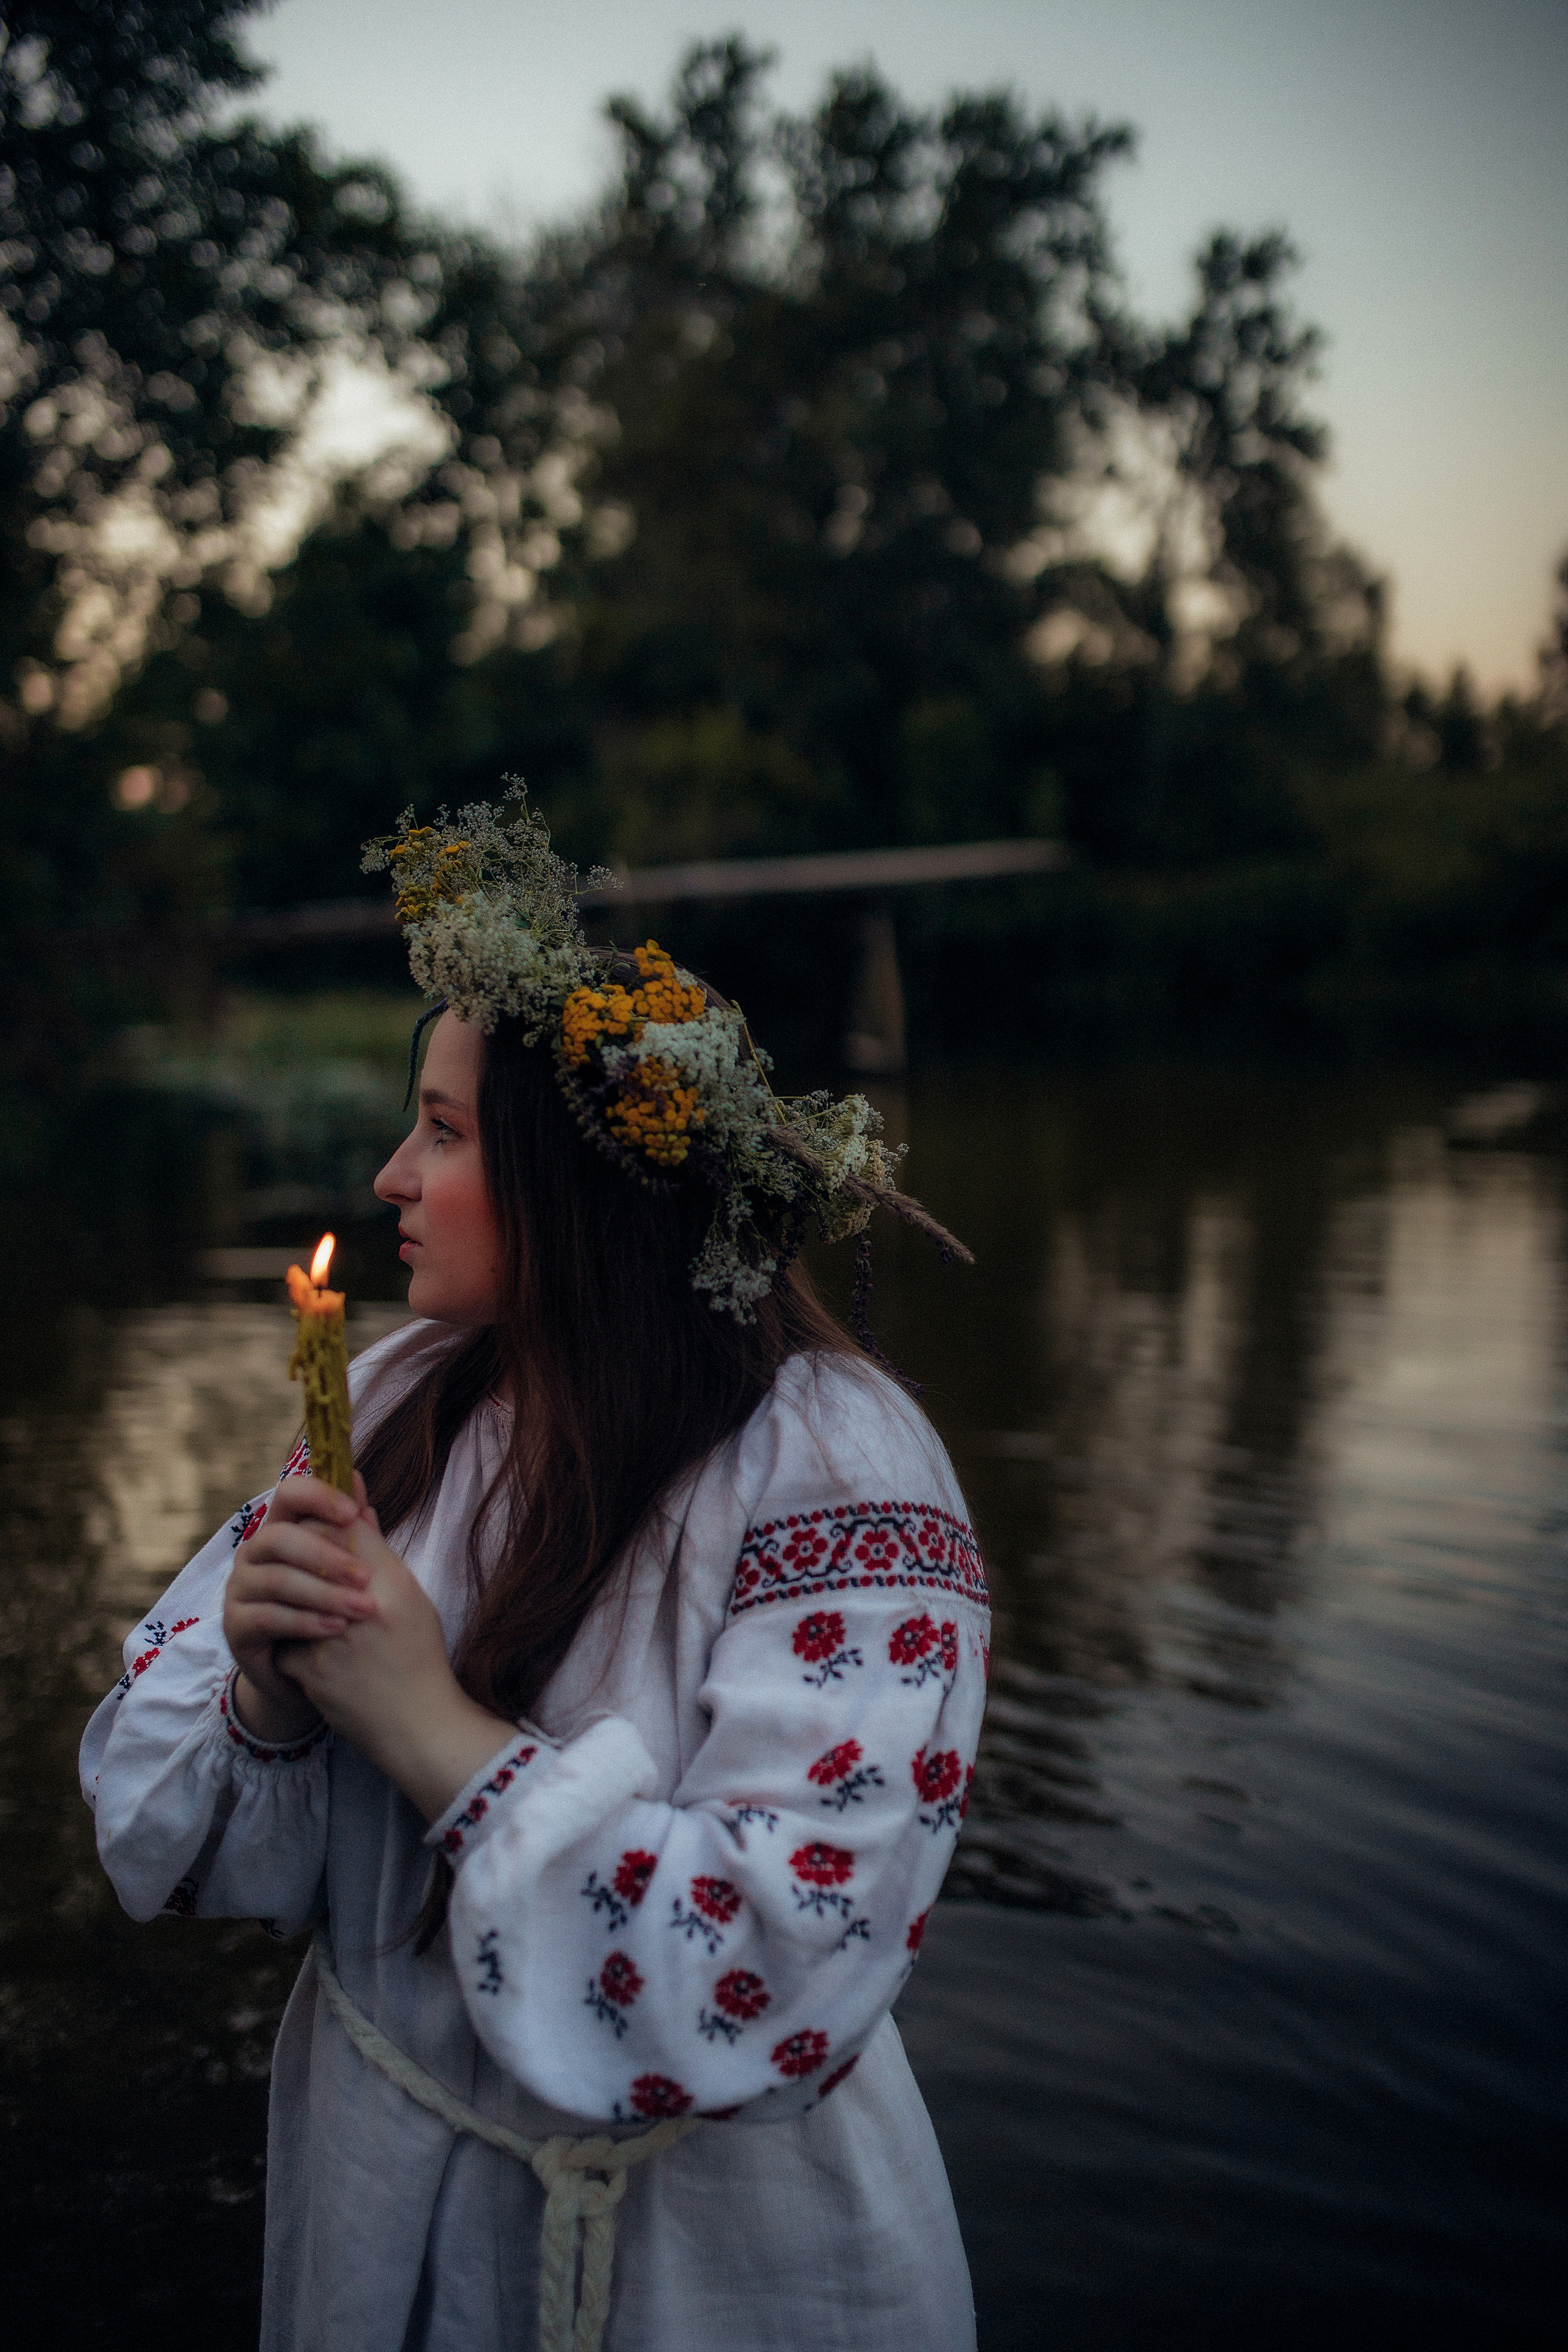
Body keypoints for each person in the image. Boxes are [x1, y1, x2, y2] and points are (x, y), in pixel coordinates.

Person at [80, 791, 990, 2352]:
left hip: (701, 2272)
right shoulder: (396, 1398)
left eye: (440, 1131)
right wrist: (271, 1693)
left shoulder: (838, 1465)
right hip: (384, 2224)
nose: (388, 1177)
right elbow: (161, 1838)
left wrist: (428, 1727)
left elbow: (783, 1959)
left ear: (579, 1181)